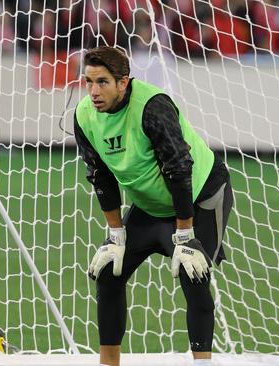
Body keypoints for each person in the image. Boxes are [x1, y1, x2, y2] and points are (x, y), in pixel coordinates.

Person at [73, 46, 233, 366]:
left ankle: (202, 361)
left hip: (199, 196)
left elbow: (179, 168)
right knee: (109, 272)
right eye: (88, 81)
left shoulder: (153, 106)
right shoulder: (84, 115)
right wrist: (116, 233)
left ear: (123, 82)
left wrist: (185, 235)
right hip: (150, 205)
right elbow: (100, 175)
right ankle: (108, 363)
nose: (93, 91)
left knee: (194, 276)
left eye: (102, 82)